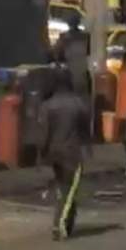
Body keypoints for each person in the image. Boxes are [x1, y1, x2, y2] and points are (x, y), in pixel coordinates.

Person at [38, 70, 91, 241]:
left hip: (54, 154)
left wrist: (42, 155)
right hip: (72, 154)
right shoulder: (78, 104)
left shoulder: (47, 106)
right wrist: (88, 150)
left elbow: (44, 134)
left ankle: (67, 222)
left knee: (64, 189)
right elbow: (85, 132)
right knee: (69, 191)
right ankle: (59, 225)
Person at [51, 11, 91, 98]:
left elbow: (56, 54)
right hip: (83, 71)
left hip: (71, 73)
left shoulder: (65, 37)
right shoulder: (86, 36)